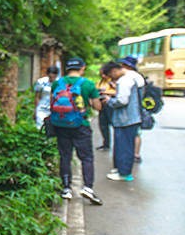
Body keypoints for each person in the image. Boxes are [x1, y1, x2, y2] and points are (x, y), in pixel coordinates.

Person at [48, 57, 103, 204]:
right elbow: (98, 107)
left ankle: (66, 188)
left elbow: (51, 103)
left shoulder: (57, 83)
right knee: (86, 157)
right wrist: (91, 102)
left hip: (60, 124)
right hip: (80, 125)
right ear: (82, 68)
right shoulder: (88, 84)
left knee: (65, 156)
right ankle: (87, 188)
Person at [104, 57, 143, 182]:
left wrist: (109, 101)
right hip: (132, 118)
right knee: (126, 145)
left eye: (111, 75)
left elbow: (122, 100)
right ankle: (122, 170)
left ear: (115, 71)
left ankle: (124, 173)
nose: (112, 78)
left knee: (124, 146)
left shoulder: (124, 81)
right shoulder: (132, 77)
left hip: (125, 119)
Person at [95, 61, 118, 151]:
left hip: (111, 105)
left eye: (104, 73)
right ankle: (106, 144)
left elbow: (118, 92)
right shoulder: (99, 82)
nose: (102, 75)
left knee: (114, 125)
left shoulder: (113, 82)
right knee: (103, 125)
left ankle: (118, 144)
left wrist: (105, 92)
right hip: (102, 105)